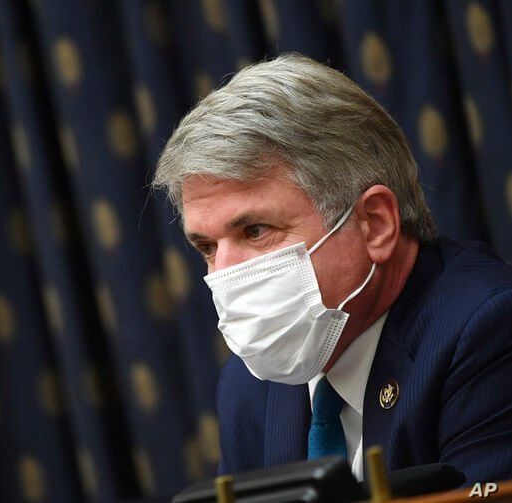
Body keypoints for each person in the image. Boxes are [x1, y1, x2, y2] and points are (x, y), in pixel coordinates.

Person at [153, 54, 512, 484]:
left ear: (375, 224)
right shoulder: (249, 385)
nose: (225, 275)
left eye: (254, 230)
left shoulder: (487, 331)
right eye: (207, 247)